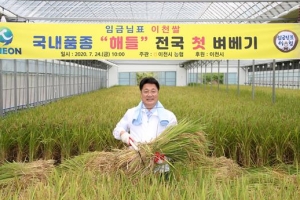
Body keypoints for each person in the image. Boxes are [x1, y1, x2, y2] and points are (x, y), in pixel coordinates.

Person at [113, 77, 177, 173]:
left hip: (160, 166)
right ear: (141, 93)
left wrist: (165, 157)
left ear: (158, 93)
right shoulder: (131, 113)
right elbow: (117, 129)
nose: (150, 95)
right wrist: (123, 135)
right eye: (146, 91)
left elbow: (176, 140)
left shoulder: (169, 116)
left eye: (153, 91)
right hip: (135, 163)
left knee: (160, 187)